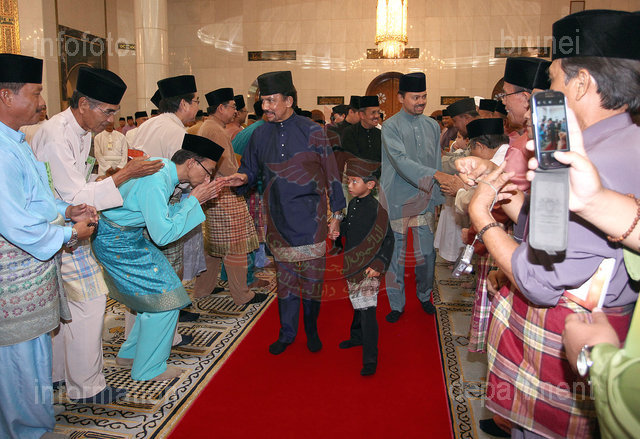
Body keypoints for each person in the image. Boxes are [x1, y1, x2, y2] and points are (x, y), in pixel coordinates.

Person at [463, 10, 640, 438]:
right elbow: (557, 226)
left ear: (582, 84)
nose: (547, 93)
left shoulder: (579, 160)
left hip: (567, 340)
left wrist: (482, 219)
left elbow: (538, 279)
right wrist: (501, 188)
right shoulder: (627, 141)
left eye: (555, 80)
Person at [32, 67, 163, 404]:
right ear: (83, 104)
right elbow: (73, 195)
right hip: (57, 232)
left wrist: (112, 178)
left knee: (67, 306)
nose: (110, 120)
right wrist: (125, 175)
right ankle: (86, 387)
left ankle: (58, 375)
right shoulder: (56, 134)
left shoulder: (81, 131)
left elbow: (82, 183)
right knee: (88, 303)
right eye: (107, 111)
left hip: (70, 231)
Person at [0, 53, 98, 439]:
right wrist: (70, 234)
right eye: (35, 93)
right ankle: (27, 431)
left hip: (30, 276)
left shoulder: (15, 140)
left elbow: (35, 200)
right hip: (13, 281)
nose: (42, 102)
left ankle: (32, 424)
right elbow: (16, 223)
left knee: (32, 359)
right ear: (6, 96)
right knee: (20, 363)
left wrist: (65, 209)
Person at [223, 71, 346, 355]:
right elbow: (250, 169)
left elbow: (332, 174)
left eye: (271, 100)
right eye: (263, 101)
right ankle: (287, 333)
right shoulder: (259, 134)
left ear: (289, 100)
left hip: (311, 219)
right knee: (286, 282)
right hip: (277, 218)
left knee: (312, 282)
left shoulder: (313, 131)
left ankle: (312, 330)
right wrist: (242, 178)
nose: (265, 106)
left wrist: (337, 215)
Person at [93, 135, 223, 381]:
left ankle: (131, 354)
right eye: (208, 171)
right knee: (167, 300)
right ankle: (148, 369)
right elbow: (163, 235)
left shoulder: (163, 170)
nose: (208, 179)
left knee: (160, 296)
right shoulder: (156, 179)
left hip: (126, 237)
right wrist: (194, 201)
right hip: (117, 241)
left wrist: (192, 201)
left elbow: (162, 215)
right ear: (192, 163)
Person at [380, 71, 447, 322]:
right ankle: (396, 304)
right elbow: (400, 162)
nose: (421, 102)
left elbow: (436, 160)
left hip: (425, 197)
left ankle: (424, 295)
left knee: (427, 254)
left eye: (424, 96)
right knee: (396, 255)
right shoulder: (390, 126)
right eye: (415, 97)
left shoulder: (432, 126)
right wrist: (437, 176)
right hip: (397, 197)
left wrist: (437, 197)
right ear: (401, 98)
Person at [193, 87, 265, 305]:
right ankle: (242, 295)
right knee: (235, 245)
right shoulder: (215, 130)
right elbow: (226, 167)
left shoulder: (211, 126)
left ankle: (203, 289)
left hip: (216, 192)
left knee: (214, 247)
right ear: (221, 108)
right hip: (224, 192)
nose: (235, 111)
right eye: (232, 107)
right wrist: (244, 176)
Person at [331, 158, 394, 376]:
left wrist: (379, 264)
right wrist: (339, 231)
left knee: (367, 311)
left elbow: (388, 240)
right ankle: (356, 337)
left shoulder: (377, 210)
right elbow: (351, 226)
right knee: (357, 305)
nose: (349, 185)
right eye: (348, 181)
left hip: (369, 268)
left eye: (354, 181)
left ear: (370, 185)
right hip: (352, 265)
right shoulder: (353, 203)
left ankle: (370, 359)